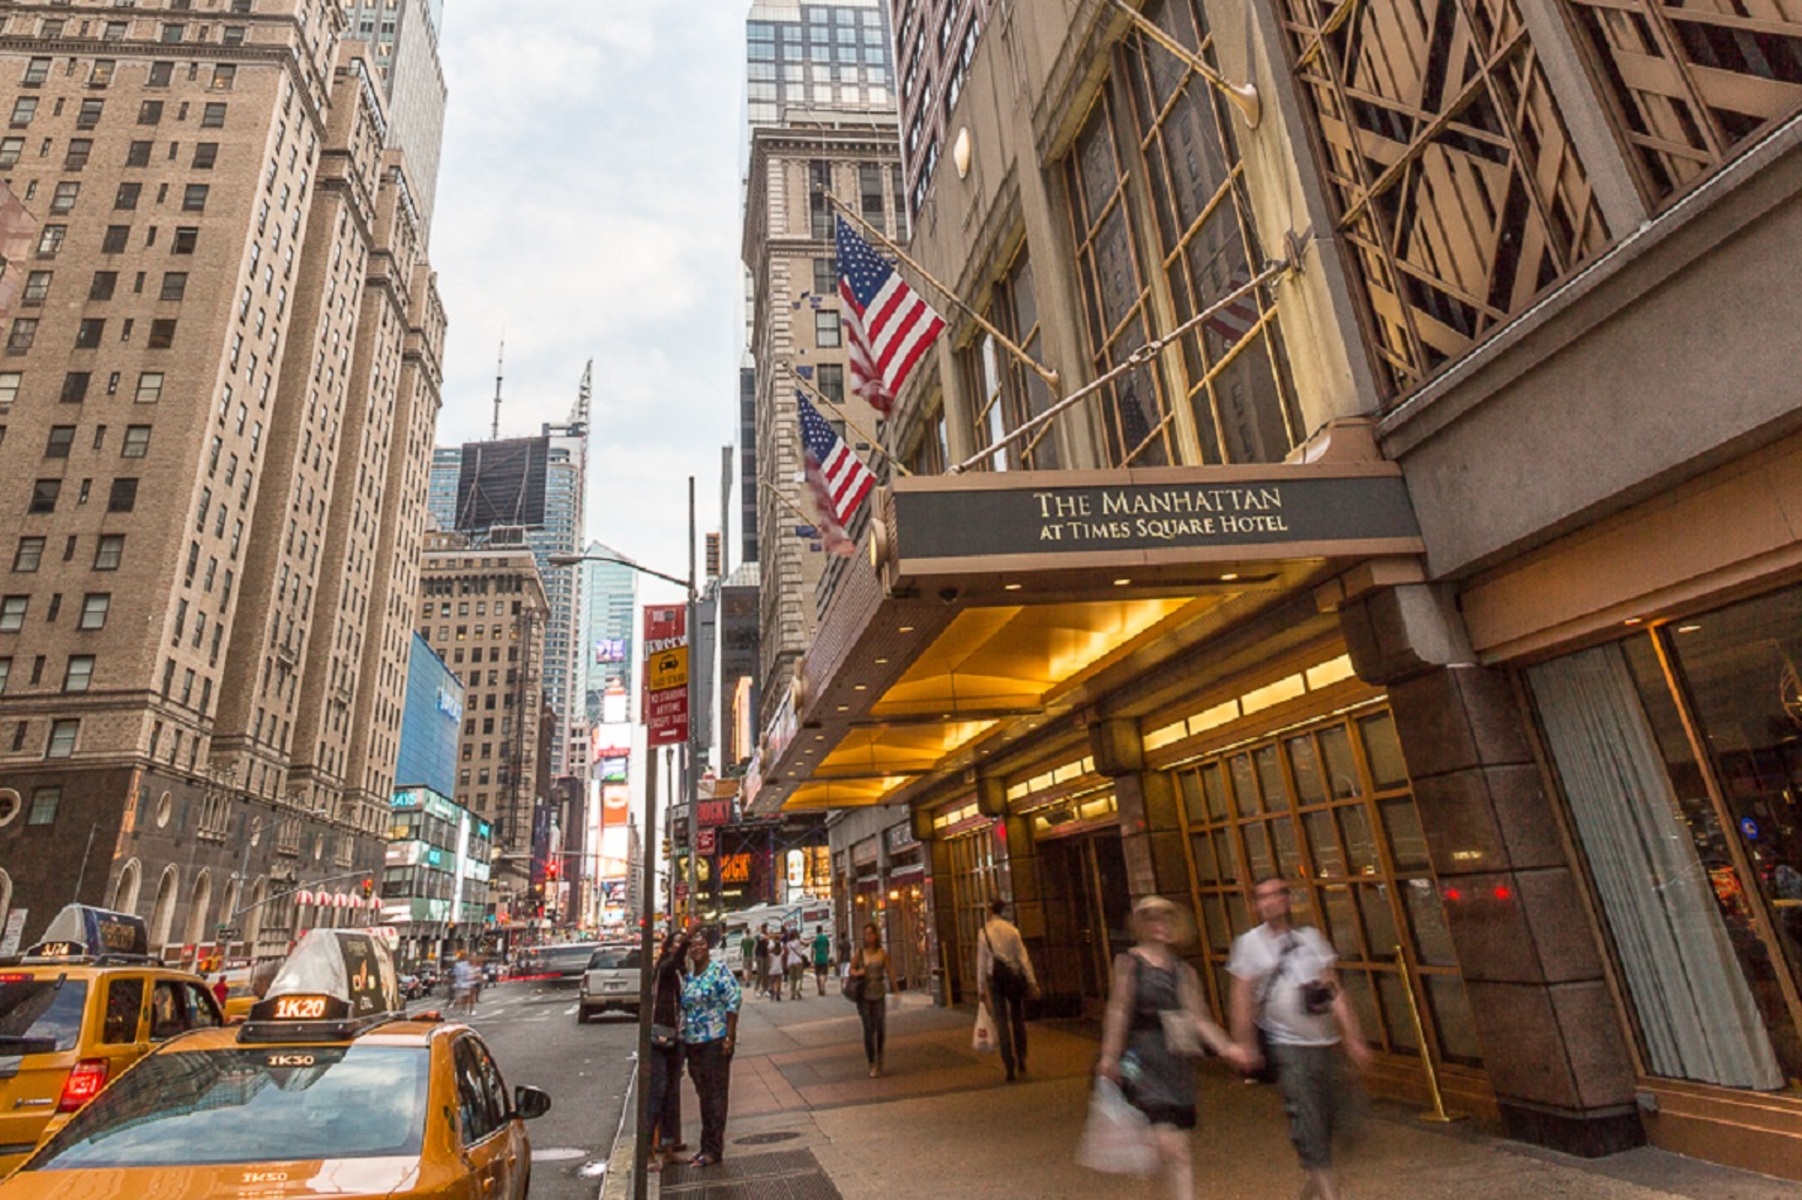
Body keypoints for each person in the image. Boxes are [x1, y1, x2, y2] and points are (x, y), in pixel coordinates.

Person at [1230, 874, 1372, 1200]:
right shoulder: (1249, 944)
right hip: (1287, 1046)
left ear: (1288, 899)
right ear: (1256, 904)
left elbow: (1333, 989)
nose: (1271, 902)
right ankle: (1329, 1191)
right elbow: (1241, 996)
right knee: (1307, 1118)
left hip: (1325, 1043)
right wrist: (1245, 1044)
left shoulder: (1310, 938)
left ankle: (1314, 1182)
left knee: (1340, 1121)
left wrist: (1353, 1038)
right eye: (1263, 896)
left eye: (1277, 894)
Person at [1098, 897, 1244, 1199]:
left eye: (1166, 919)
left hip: (1175, 1065)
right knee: (1171, 1146)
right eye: (1152, 919)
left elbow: (1200, 1018)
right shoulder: (1129, 964)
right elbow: (1119, 1011)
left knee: (1169, 1149)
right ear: (1142, 926)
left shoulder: (1183, 971)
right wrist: (1110, 1056)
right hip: (1141, 1063)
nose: (1160, 925)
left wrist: (1228, 1048)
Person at [679, 930, 742, 1168]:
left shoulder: (718, 971)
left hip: (716, 1041)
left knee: (716, 1097)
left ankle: (714, 1149)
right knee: (704, 1096)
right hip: (694, 1044)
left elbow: (734, 999)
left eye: (701, 945)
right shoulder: (689, 977)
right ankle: (705, 1146)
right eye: (693, 946)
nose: (697, 949)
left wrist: (730, 1036)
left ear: (708, 948)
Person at [976, 899, 1040, 1082]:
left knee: (1001, 1022)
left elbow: (981, 963)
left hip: (995, 980)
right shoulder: (1013, 931)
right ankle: (1022, 1058)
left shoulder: (984, 932)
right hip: (1014, 978)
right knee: (1018, 1018)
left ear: (990, 910)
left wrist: (981, 988)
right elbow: (1023, 958)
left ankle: (1008, 1065)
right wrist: (1032, 982)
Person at [646, 924, 693, 1171]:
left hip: (679, 1037)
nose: (679, 947)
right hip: (659, 1038)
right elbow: (671, 962)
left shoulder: (681, 973)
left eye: (681, 943)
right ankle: (647, 1151)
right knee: (657, 1091)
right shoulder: (664, 969)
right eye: (675, 943)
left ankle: (668, 1148)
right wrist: (687, 937)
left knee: (672, 1094)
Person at [848, 922, 897, 1077]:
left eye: (871, 933)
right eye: (866, 934)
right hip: (864, 995)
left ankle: (880, 1055)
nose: (868, 937)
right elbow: (851, 970)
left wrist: (895, 988)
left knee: (880, 1027)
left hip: (879, 992)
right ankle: (872, 1063)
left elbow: (889, 970)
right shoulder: (860, 952)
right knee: (869, 1028)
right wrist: (858, 972)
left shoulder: (882, 953)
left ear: (876, 935)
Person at [783, 929, 808, 999]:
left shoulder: (788, 944)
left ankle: (792, 993)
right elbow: (806, 944)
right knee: (799, 977)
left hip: (790, 962)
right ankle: (798, 990)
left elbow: (787, 953)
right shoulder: (798, 941)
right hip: (798, 961)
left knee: (792, 978)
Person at [811, 925, 832, 996]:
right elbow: (828, 948)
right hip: (824, 958)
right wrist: (827, 955)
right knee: (823, 974)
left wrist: (812, 960)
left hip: (817, 959)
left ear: (816, 930)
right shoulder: (825, 938)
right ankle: (823, 987)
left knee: (818, 974)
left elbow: (813, 949)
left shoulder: (815, 939)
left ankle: (819, 989)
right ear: (822, 930)